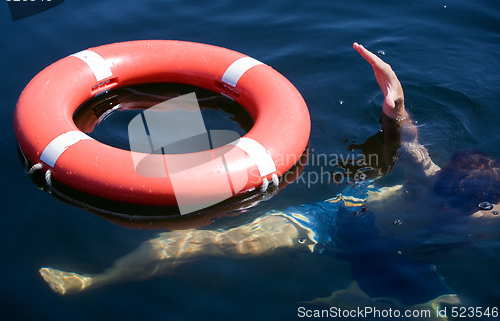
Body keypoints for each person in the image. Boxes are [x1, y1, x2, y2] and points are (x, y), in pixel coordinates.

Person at [39, 43, 500, 308]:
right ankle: (94, 282)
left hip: (405, 259)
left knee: (446, 313)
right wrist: (393, 100)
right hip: (342, 220)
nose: (433, 183)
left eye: (442, 192)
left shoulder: (488, 219)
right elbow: (406, 135)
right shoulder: (428, 176)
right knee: (203, 241)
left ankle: (351, 296)